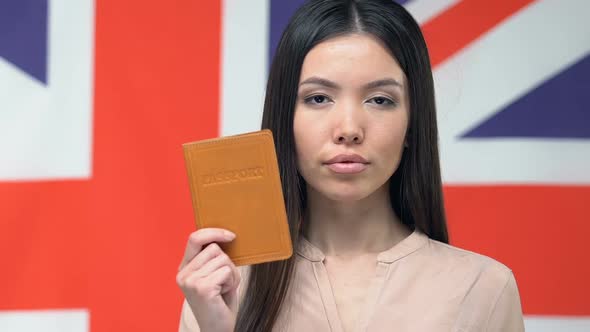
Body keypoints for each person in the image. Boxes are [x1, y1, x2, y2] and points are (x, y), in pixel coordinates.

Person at [176, 0, 525, 331]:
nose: (348, 130)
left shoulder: (484, 288)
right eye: (318, 98)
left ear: (412, 122)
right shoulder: (225, 290)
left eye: (379, 100)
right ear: (285, 119)